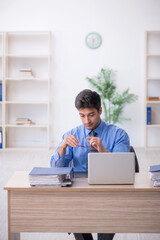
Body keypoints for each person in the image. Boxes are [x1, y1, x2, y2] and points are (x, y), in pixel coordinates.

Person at [50, 89, 130, 240]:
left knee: (108, 216)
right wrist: (62, 147)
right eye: (82, 115)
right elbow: (56, 172)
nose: (87, 121)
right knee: (73, 212)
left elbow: (123, 168)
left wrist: (103, 150)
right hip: (79, 194)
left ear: (100, 110)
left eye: (91, 115)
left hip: (109, 192)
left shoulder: (118, 135)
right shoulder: (72, 134)